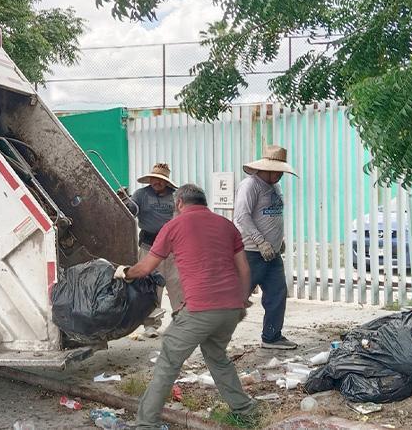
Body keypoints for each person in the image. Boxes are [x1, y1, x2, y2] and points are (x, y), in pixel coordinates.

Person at [114, 184, 258, 429]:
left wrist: (123, 272)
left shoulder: (173, 226)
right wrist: (242, 300)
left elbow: (146, 268)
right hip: (230, 310)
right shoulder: (227, 225)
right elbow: (244, 269)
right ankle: (246, 411)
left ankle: (145, 424)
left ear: (179, 202)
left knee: (168, 363)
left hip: (202, 310)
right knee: (217, 357)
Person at [233, 145, 298, 350]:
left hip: (272, 253)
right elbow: (241, 216)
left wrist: (279, 240)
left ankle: (272, 336)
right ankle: (212, 335)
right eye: (277, 171)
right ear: (266, 168)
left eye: (282, 172)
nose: (280, 175)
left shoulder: (275, 187)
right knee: (236, 298)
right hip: (252, 252)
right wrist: (261, 241)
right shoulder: (250, 186)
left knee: (277, 294)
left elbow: (272, 215)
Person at [122, 163, 183, 337]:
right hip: (149, 247)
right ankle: (151, 324)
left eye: (161, 180)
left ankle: (180, 323)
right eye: (154, 179)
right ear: (150, 179)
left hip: (173, 250)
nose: (157, 182)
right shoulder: (141, 195)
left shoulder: (177, 196)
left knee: (177, 284)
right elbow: (131, 210)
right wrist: (125, 203)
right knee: (150, 287)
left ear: (167, 182)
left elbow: (184, 218)